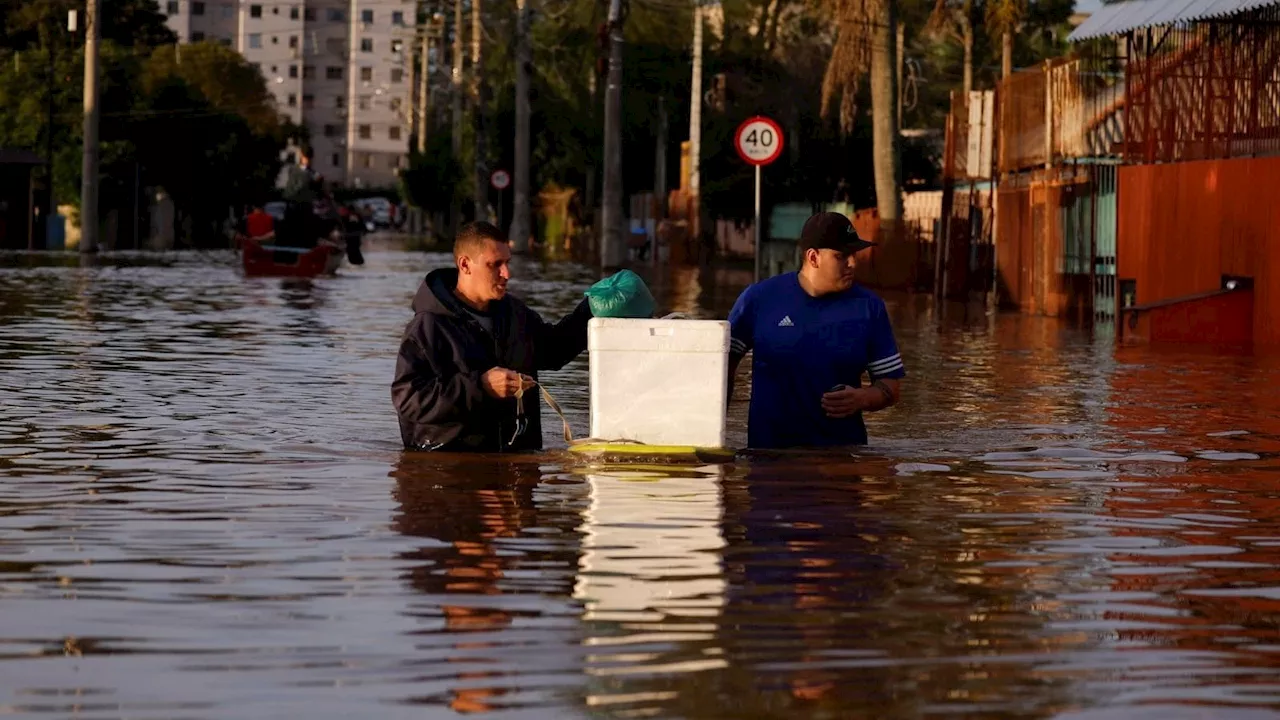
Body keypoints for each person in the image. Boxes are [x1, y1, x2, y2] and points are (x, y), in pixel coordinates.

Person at [392, 221, 593, 452]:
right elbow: (408, 399)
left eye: (507, 263)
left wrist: (592, 310)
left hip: (517, 467)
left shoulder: (516, 314)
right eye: (495, 264)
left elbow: (555, 350)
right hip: (449, 471)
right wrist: (481, 386)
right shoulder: (428, 326)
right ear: (465, 265)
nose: (506, 273)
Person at [727, 211, 905, 449]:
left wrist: (861, 398)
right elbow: (720, 368)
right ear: (813, 257)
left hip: (841, 460)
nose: (853, 263)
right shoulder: (758, 300)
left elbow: (891, 388)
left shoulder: (869, 308)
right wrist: (712, 433)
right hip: (768, 461)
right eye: (842, 256)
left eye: (853, 255)